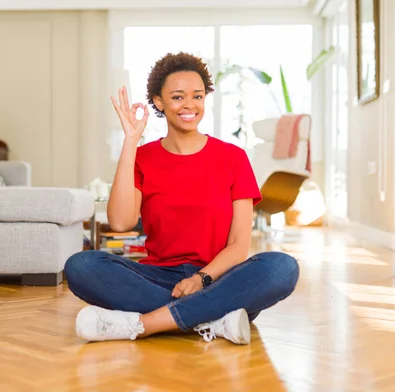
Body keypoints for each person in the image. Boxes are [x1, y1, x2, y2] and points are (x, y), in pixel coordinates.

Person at [64, 52, 299, 344]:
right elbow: (121, 222)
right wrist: (130, 141)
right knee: (81, 266)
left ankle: (146, 323)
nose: (190, 105)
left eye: (197, 96)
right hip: (158, 277)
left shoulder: (233, 158)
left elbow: (239, 247)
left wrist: (201, 279)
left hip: (218, 277)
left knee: (282, 267)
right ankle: (215, 319)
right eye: (177, 97)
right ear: (159, 102)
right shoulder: (143, 157)